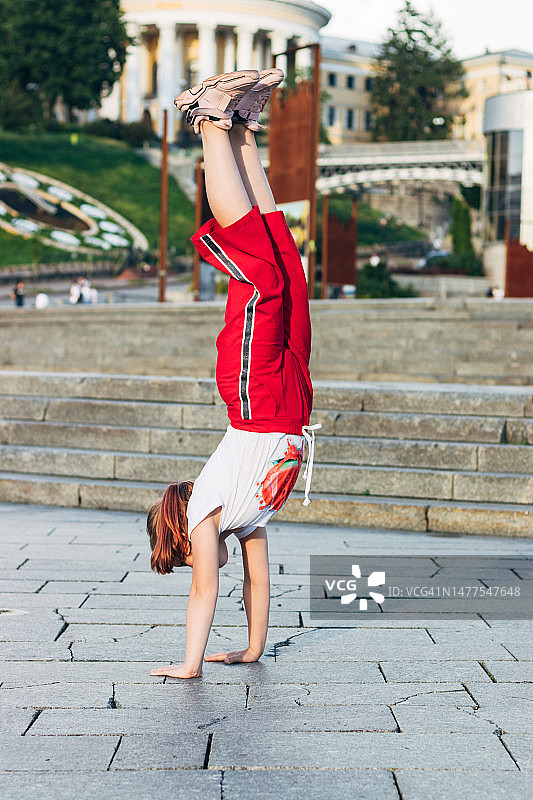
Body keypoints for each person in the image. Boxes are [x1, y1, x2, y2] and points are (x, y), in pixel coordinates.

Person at [146, 68, 321, 680]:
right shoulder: (247, 521)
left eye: (194, 557)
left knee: (260, 278)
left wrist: (189, 666)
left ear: (180, 532)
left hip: (253, 396)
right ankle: (244, 128)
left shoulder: (205, 513)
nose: (205, 563)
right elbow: (257, 582)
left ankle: (210, 123)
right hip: (289, 399)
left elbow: (204, 595)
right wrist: (251, 649)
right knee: (288, 274)